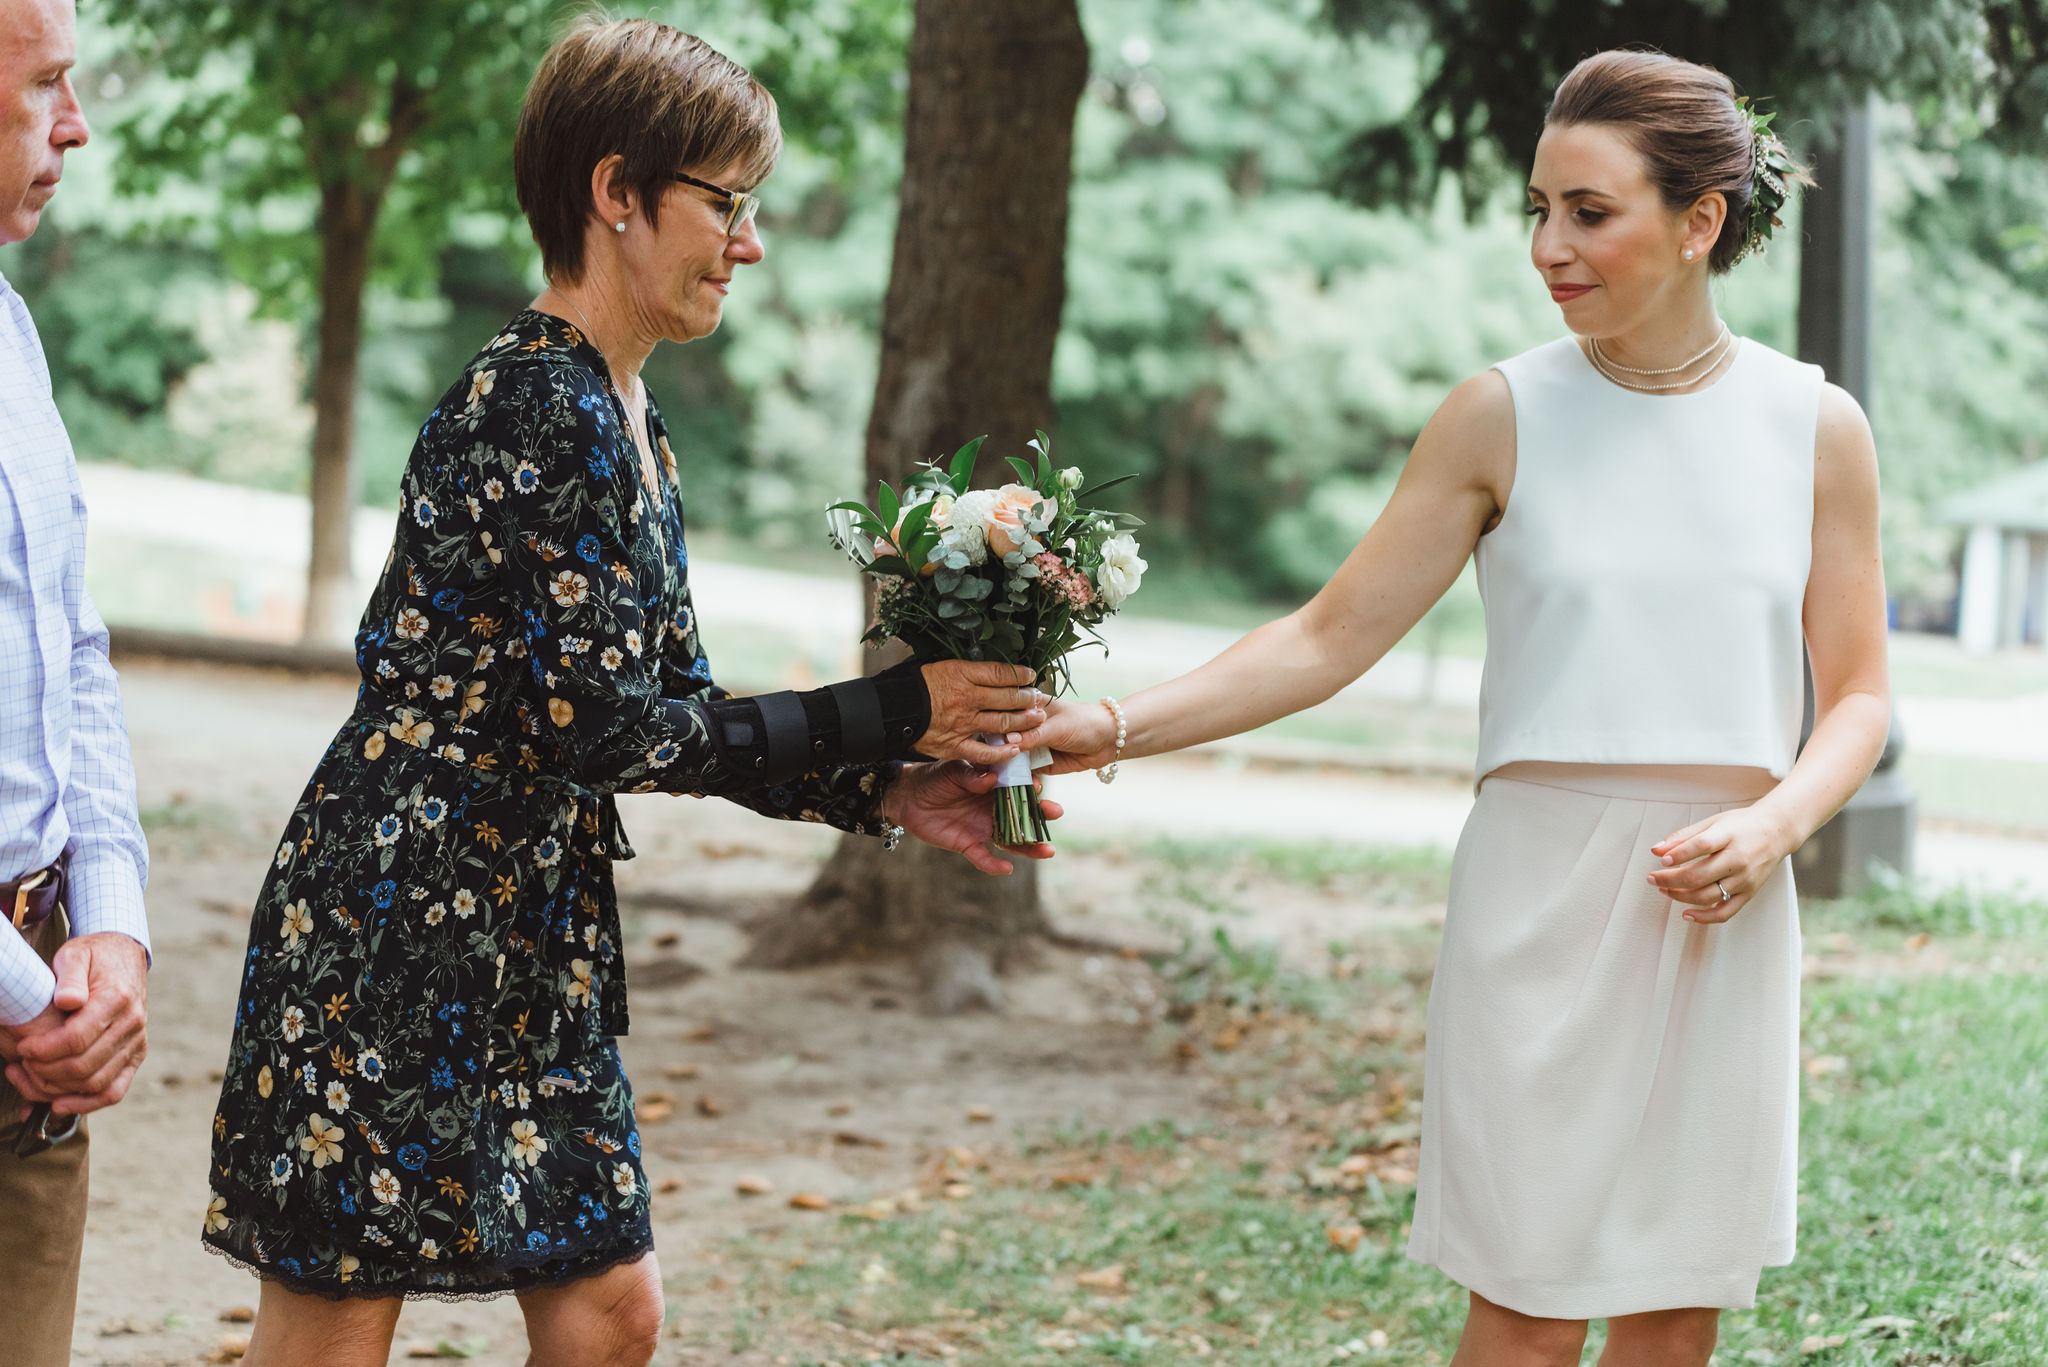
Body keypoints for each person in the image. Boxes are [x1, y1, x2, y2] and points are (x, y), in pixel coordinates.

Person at [200, 18, 1056, 1366]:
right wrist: (899, 705)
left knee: (609, 1313)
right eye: (727, 204)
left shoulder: (628, 415)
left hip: (530, 945)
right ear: (617, 194)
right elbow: (606, 733)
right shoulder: (534, 406)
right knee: (333, 1328)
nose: (750, 242)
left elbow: (681, 704)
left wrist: (885, 786)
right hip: (393, 927)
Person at [1025, 49, 1890, 1367]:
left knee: (1671, 1315)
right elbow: (1326, 635)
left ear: (1700, 219)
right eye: (1537, 209)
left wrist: (1775, 826)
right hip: (1535, 901)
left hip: (1721, 904)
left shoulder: (1815, 427)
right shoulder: (1499, 414)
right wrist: (1116, 724)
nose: (1549, 245)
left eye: (1588, 212)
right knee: (1527, 1321)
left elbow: (1861, 698)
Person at [0, 1, 155, 1363]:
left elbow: (71, 644)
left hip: (38, 1050)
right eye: (45, 83)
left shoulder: (11, 330)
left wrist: (104, 926)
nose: (75, 124)